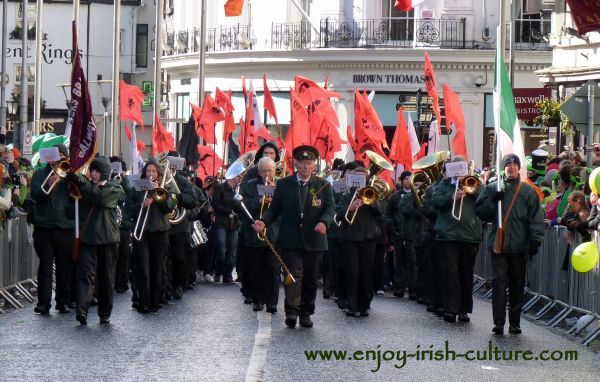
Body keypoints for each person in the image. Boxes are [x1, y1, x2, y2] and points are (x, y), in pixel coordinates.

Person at [253, 145, 335, 328]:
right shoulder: (284, 184)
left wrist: (324, 222)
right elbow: (274, 209)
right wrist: (263, 222)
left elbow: (331, 208)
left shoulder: (323, 185)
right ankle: (291, 311)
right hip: (291, 239)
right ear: (295, 163)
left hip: (314, 240)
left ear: (314, 165)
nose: (306, 166)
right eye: (302, 162)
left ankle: (306, 312)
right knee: (293, 275)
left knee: (310, 278)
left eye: (309, 163)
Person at [475, 154, 544, 335]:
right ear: (503, 168)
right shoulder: (492, 188)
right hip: (499, 244)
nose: (511, 168)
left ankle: (515, 322)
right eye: (508, 165)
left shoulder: (529, 192)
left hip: (519, 245)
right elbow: (480, 212)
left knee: (517, 284)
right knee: (499, 282)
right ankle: (498, 323)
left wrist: (536, 239)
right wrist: (493, 201)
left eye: (514, 165)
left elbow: (536, 217)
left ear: (519, 168)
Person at [68, 157, 125, 325]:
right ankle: (82, 312)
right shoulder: (85, 187)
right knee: (85, 276)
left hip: (108, 240)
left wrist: (80, 182)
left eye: (96, 171)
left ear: (104, 172)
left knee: (106, 279)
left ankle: (104, 312)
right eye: (91, 171)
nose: (92, 174)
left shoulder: (115, 188)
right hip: (88, 239)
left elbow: (100, 197)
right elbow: (71, 209)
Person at [431, 157, 483, 323]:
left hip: (469, 236)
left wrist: (472, 188)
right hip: (448, 236)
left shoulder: (474, 183)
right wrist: (451, 197)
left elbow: (483, 202)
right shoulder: (443, 185)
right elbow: (435, 202)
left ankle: (464, 310)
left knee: (466, 273)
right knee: (450, 273)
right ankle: (451, 309)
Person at [30, 144, 75, 315]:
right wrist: (47, 184)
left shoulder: (71, 173)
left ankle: (63, 301)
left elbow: (79, 195)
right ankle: (43, 303)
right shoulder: (41, 173)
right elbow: (35, 195)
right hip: (44, 226)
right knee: (45, 266)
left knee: (64, 267)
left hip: (64, 227)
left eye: (63, 155)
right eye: (57, 155)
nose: (59, 158)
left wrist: (70, 178)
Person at [336, 165, 385, 317]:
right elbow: (338, 214)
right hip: (350, 238)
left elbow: (382, 212)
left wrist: (372, 201)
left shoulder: (372, 193)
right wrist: (350, 208)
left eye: (361, 178)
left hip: (368, 237)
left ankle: (364, 304)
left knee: (366, 272)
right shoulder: (346, 195)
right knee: (352, 272)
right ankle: (352, 305)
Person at [130, 157, 177, 313]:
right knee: (143, 268)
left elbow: (170, 207)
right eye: (148, 171)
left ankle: (155, 301)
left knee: (157, 268)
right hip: (142, 233)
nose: (151, 174)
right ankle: (143, 301)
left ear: (158, 173)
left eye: (154, 171)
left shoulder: (165, 188)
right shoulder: (138, 187)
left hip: (159, 232)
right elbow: (128, 209)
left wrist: (158, 197)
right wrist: (141, 205)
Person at [240, 157, 281, 313]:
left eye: (270, 170)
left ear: (274, 170)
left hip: (274, 234)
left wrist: (275, 198)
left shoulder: (280, 185)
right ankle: (258, 300)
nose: (267, 174)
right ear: (258, 171)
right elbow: (242, 208)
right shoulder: (249, 186)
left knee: (273, 270)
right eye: (263, 171)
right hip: (254, 236)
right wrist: (259, 201)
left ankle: (272, 302)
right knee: (256, 269)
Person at [212, 168, 243, 284]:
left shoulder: (239, 190)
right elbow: (215, 204)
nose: (241, 179)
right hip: (222, 223)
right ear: (234, 176)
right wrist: (229, 211)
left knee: (232, 251)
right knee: (221, 249)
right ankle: (218, 271)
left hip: (234, 224)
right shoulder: (220, 188)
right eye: (239, 176)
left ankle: (227, 275)